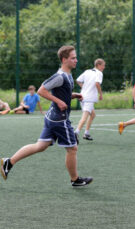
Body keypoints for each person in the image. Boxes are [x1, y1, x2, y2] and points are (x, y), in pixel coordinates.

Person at [1, 45, 93, 187]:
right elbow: (41, 91)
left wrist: (71, 96)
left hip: (52, 117)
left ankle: (9, 162)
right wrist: (59, 101)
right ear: (64, 59)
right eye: (73, 58)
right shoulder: (60, 76)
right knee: (72, 149)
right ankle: (75, 180)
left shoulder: (68, 75)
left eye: (76, 57)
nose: (76, 60)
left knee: (40, 145)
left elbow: (59, 92)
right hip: (59, 119)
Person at [74, 58, 105, 142]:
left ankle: (86, 133)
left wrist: (84, 87)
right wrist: (100, 94)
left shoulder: (87, 71)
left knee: (93, 115)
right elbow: (97, 83)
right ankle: (75, 133)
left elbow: (78, 80)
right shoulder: (99, 73)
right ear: (98, 65)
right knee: (84, 118)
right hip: (89, 99)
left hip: (82, 97)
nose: (104, 67)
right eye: (103, 65)